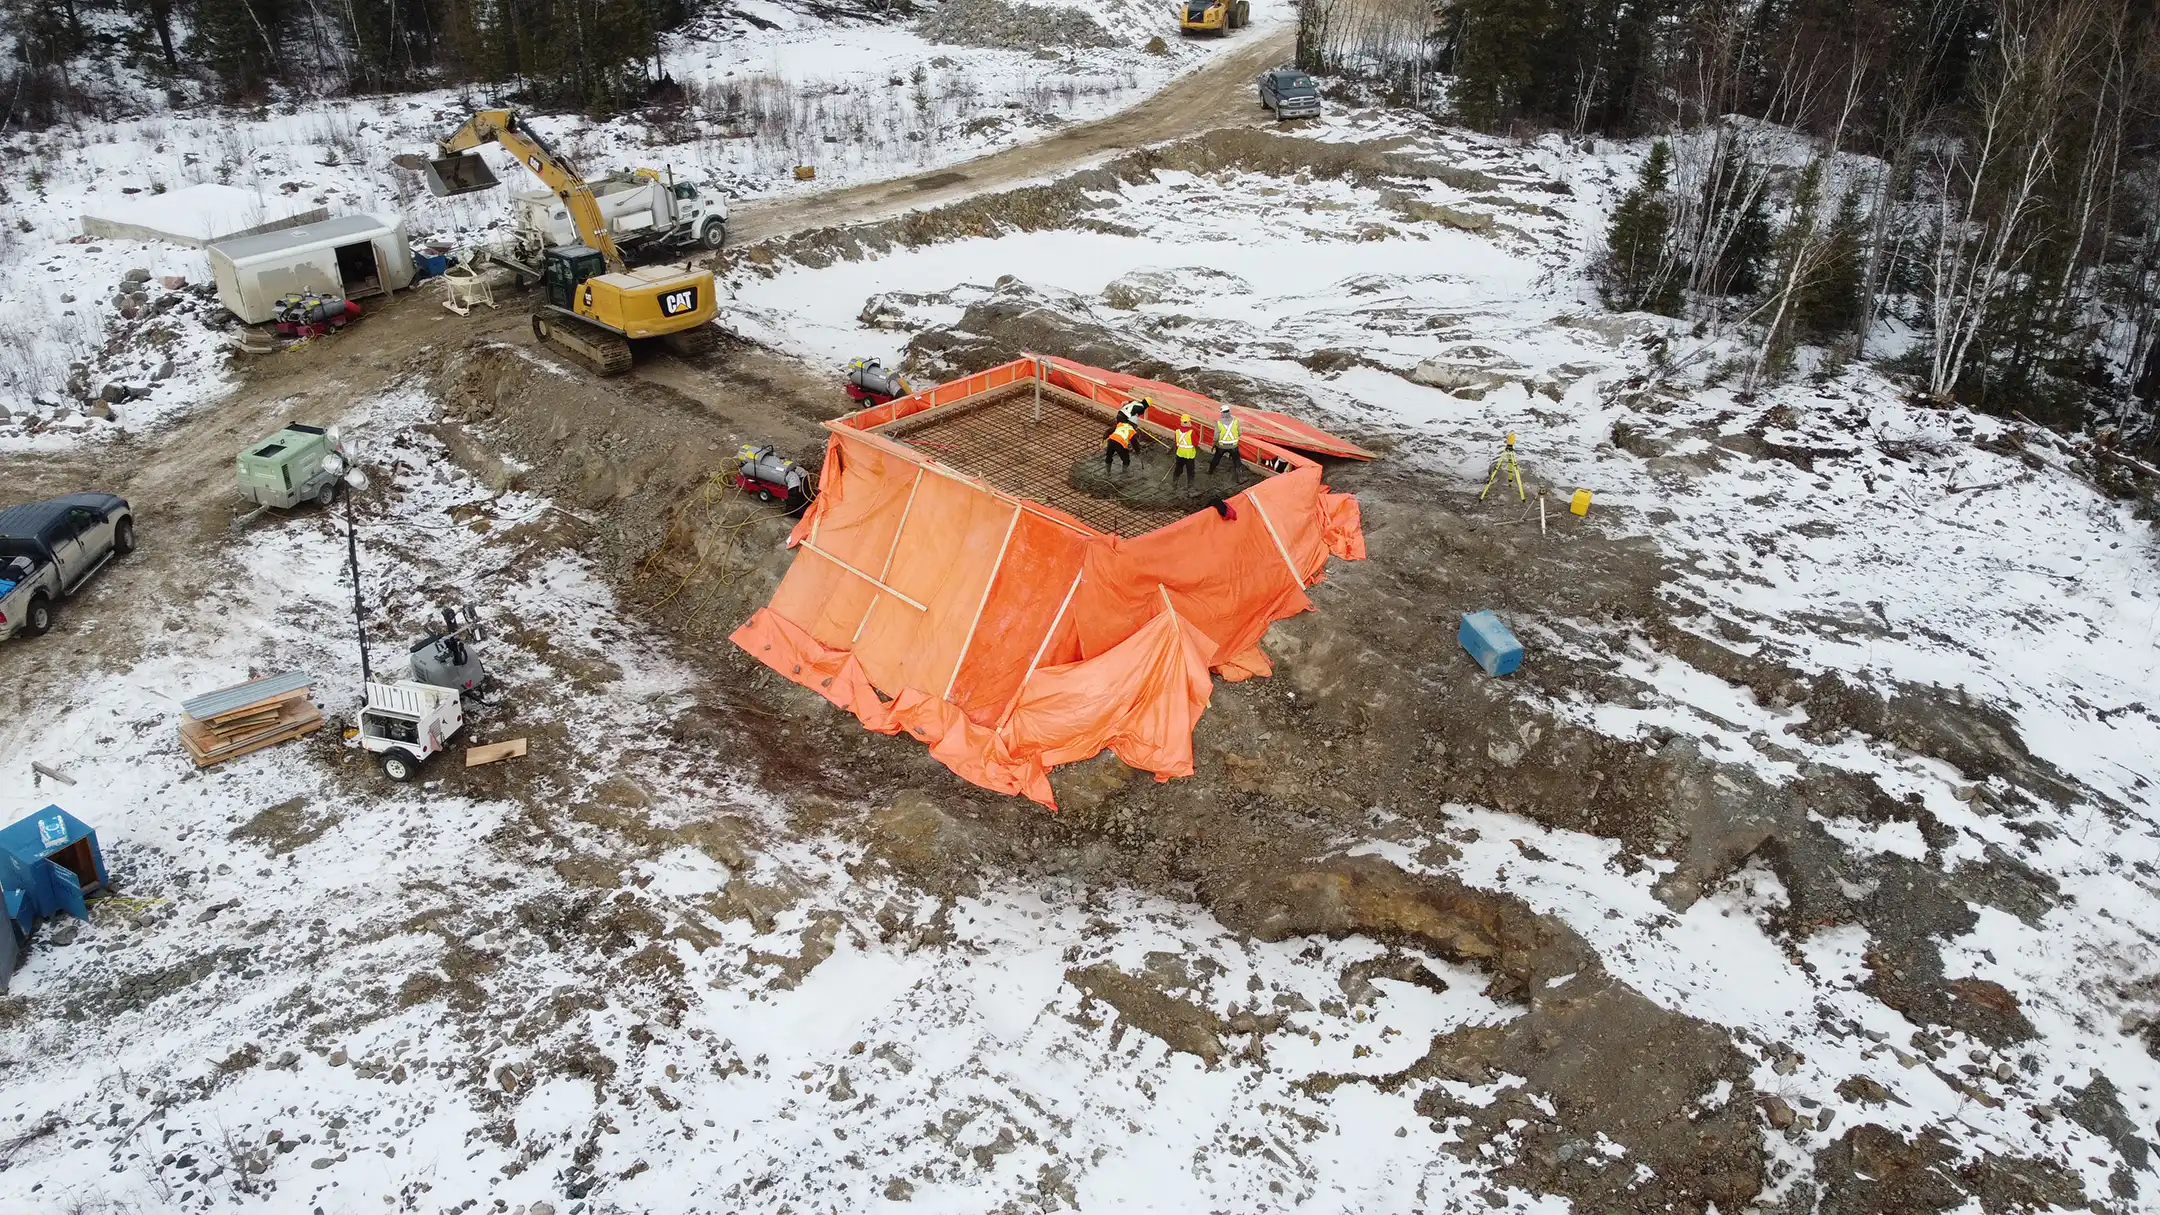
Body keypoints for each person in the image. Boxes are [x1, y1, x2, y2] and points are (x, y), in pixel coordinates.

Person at [1208, 404, 1244, 482]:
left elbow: (1216, 436)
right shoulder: (1236, 421)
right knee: (1237, 461)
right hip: (1233, 446)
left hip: (1222, 446)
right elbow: (1239, 433)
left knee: (1216, 458)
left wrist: (1214, 444)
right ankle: (1240, 478)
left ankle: (1210, 471)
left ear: (1222, 413)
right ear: (1229, 412)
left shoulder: (1219, 423)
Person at [1173, 414, 1197, 484]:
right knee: (1190, 471)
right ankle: (1190, 485)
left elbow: (1176, 443)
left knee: (1178, 469)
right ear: (1189, 422)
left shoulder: (1177, 431)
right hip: (1189, 455)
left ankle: (1174, 482)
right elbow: (1195, 443)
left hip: (1180, 454)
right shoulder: (1191, 432)